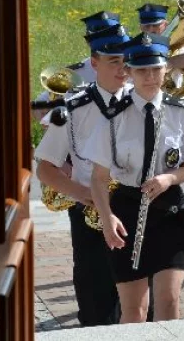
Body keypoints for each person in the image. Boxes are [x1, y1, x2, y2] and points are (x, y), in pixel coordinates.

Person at [85, 33, 184, 323]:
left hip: (170, 211)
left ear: (166, 68)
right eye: (141, 70)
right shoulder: (113, 117)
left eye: (156, 68)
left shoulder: (180, 112)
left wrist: (169, 178)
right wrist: (107, 219)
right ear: (128, 72)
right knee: (135, 310)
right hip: (128, 210)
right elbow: (99, 178)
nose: (150, 76)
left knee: (168, 300)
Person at [34, 23, 132, 326]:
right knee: (95, 305)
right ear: (94, 63)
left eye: (127, 61)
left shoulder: (147, 103)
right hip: (89, 214)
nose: (123, 68)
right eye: (113, 61)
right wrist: (86, 196)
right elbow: (45, 168)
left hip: (137, 209)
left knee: (143, 310)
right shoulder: (73, 109)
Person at [136, 3, 184, 91]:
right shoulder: (133, 49)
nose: (151, 30)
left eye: (155, 25)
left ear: (165, 25)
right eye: (147, 26)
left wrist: (166, 64)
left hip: (172, 102)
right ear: (140, 27)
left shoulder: (174, 48)